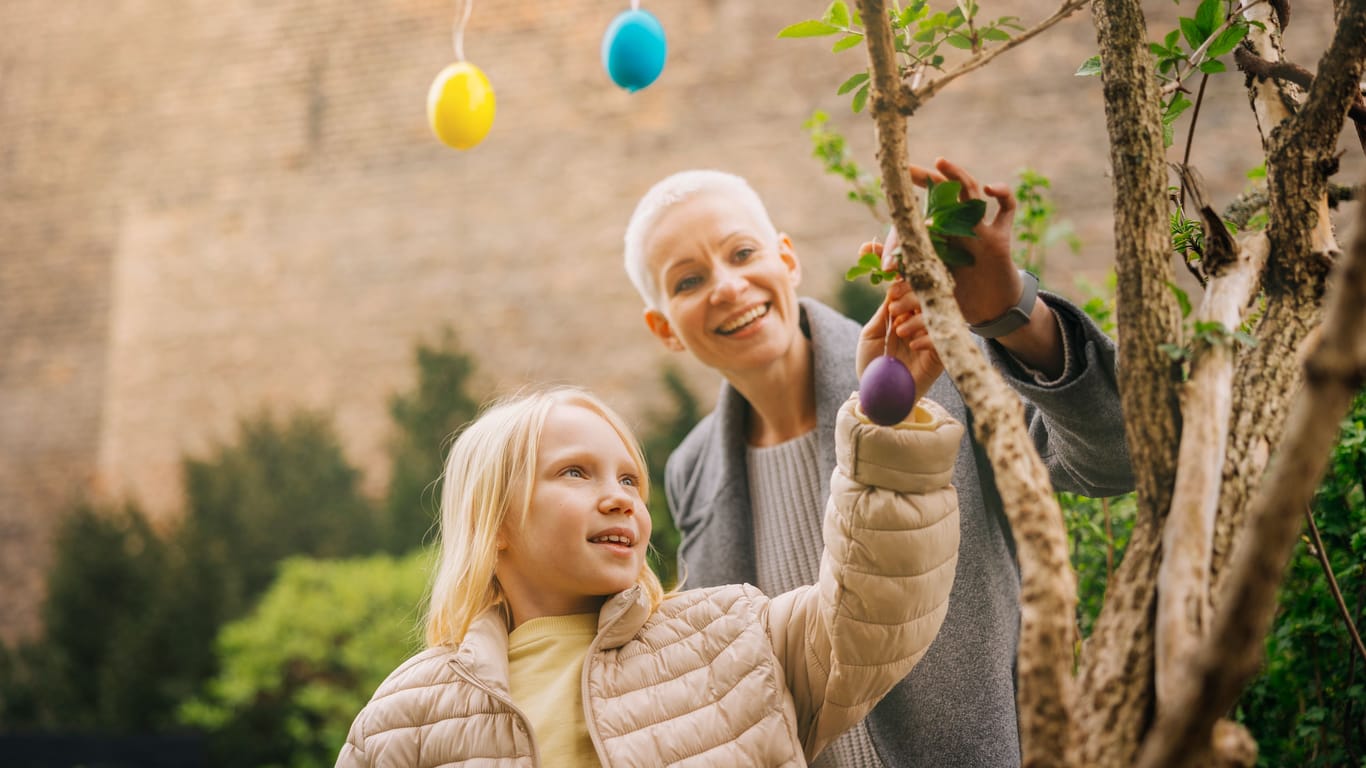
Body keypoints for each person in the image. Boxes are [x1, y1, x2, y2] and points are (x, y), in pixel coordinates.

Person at [622, 158, 1135, 768]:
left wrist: (1011, 312)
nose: (728, 286)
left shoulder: (936, 370)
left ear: (786, 260)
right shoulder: (692, 468)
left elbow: (1118, 459)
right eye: (688, 282)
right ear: (665, 329)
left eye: (741, 253)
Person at [336, 370, 965, 766]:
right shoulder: (405, 715)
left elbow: (875, 605)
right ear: (493, 523)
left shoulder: (737, 636)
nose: (620, 497)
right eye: (574, 472)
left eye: (631, 479)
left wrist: (890, 435)